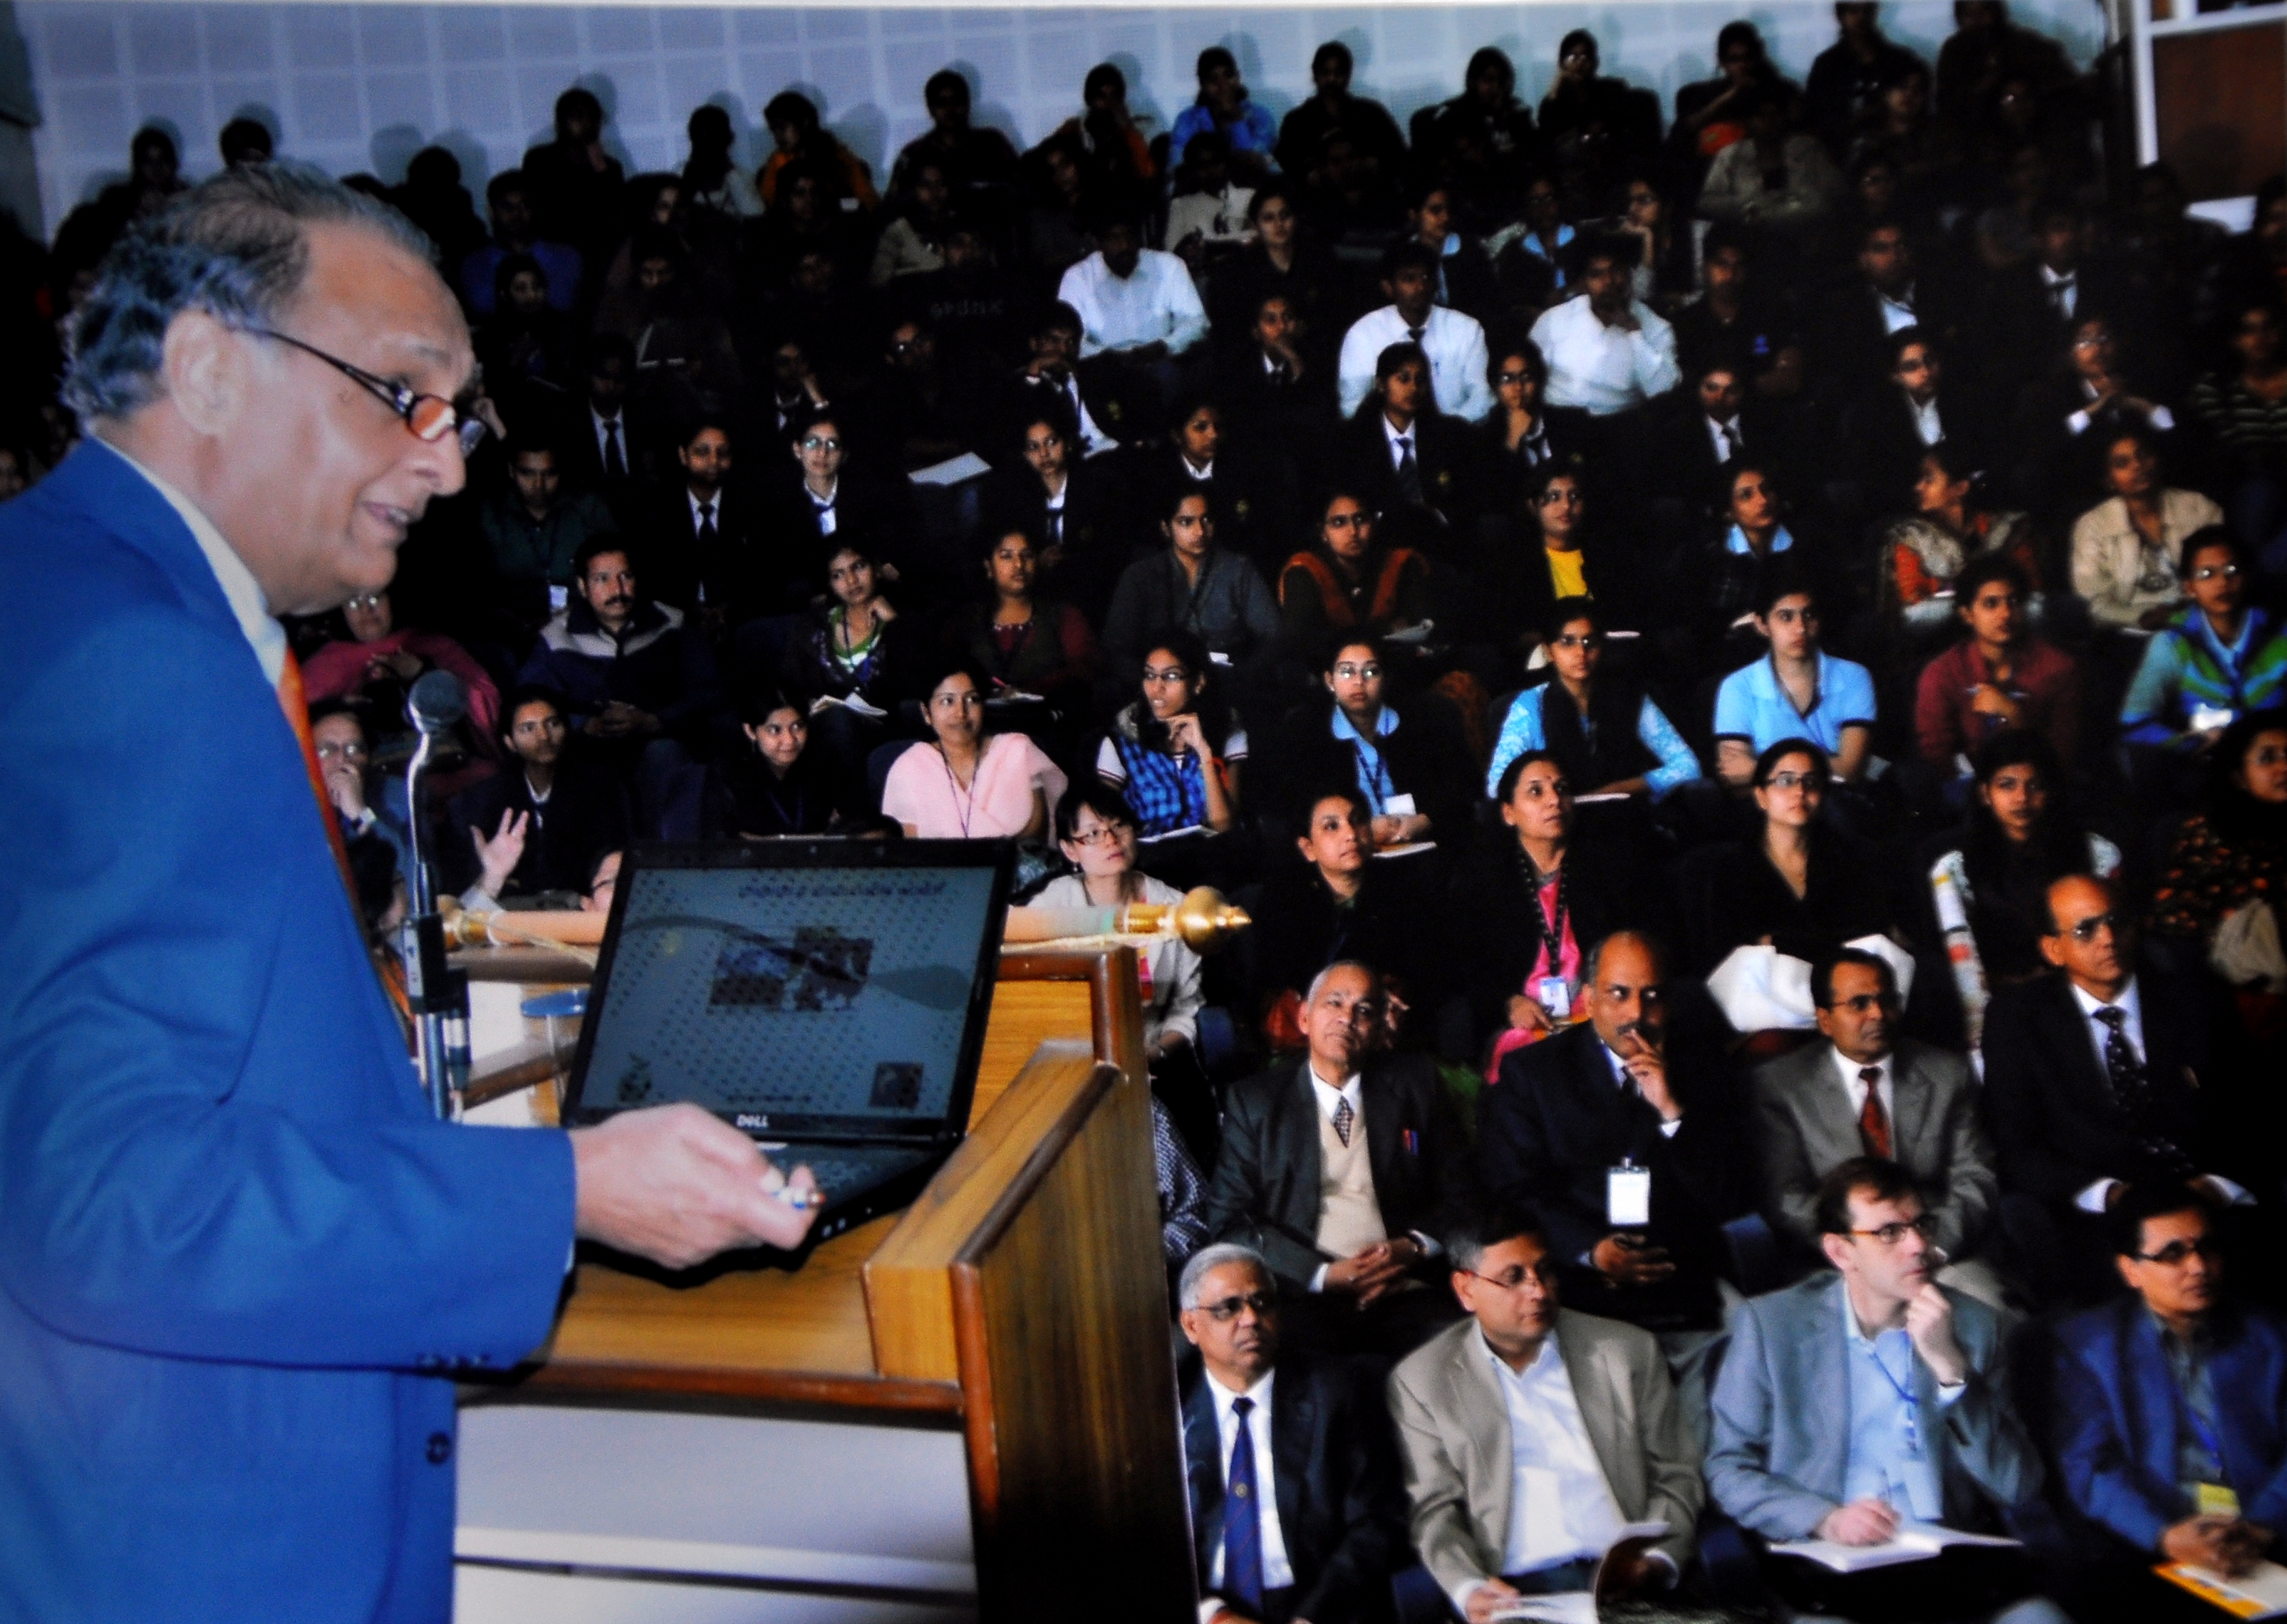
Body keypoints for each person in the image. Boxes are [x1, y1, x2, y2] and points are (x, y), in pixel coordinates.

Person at [1, 160, 816, 1620]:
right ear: (207, 369)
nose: (447, 467)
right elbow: (109, 1201)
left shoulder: (58, 592)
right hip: (191, 1551)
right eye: (404, 397)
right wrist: (569, 1190)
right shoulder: (139, 654)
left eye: (459, 415)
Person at [1706, 1160, 2062, 1624]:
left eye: (1921, 1225)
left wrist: (1952, 1373)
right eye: (1889, 1232)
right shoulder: (1772, 1327)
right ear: (1841, 1251)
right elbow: (1728, 1468)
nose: (1918, 1246)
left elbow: (2017, 1486)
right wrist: (1824, 1518)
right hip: (1828, 1566)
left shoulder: (1976, 1327)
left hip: (1948, 1568)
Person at [1477, 930, 1747, 1445]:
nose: (1635, 1013)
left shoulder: (1704, 1070)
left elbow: (1729, 1195)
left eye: (1651, 995)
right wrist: (1591, 1250)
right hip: (1579, 1280)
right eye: (1619, 994)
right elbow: (1515, 1190)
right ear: (1589, 999)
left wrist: (1671, 1112)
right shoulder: (1535, 1074)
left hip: (1682, 1277)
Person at [1386, 1205, 1702, 1618]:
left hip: (1627, 1586)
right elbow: (1434, 1510)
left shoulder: (1625, 1351)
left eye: (1544, 1271)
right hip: (1516, 1595)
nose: (1538, 1291)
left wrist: (1656, 1561)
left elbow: (1676, 1473)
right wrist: (1470, 1588)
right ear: (1466, 1289)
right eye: (1513, 1277)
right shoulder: (1424, 1381)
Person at [1982, 875, 2245, 1305]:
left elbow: (2253, 1111)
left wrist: (2216, 1186)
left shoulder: (2195, 997)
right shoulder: (2016, 1020)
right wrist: (2110, 1195)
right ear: (2053, 949)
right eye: (2085, 930)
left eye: (2116, 921)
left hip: (2201, 1190)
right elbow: (2018, 1147)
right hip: (2103, 1207)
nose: (2108, 939)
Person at [1203, 962, 1475, 1362]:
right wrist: (1323, 1275)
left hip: (1403, 1284)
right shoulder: (1256, 1102)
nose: (1347, 1018)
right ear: (1304, 1018)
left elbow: (1463, 1192)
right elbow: (1230, 1221)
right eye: (1334, 1003)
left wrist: (1412, 1247)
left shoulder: (1417, 1084)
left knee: (1458, 1359)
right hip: (1301, 1295)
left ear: (1379, 1029)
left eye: (1364, 1011)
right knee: (1325, 1382)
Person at [2051, 1184, 2287, 1610]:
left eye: (2206, 1248)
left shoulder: (2270, 1335)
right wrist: (2164, 1535)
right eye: (2173, 1254)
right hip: (2152, 1543)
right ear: (2130, 1270)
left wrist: (2263, 1525)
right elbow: (2090, 1467)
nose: (2199, 1267)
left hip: (2264, 1534)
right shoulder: (2088, 1347)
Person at [1752, 948, 2004, 1303]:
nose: (1878, 1014)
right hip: (1840, 1264)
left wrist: (1929, 1247)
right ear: (1825, 1020)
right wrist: (1864, 1254)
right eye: (1859, 1004)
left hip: (1937, 1252)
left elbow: (1975, 1177)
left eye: (1887, 1000)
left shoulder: (1947, 1074)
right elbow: (1786, 1197)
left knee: (1986, 1308)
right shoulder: (1781, 1087)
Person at [1176, 1244, 1409, 1624]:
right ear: (1191, 1326)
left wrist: (1312, 1617)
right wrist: (1213, 1614)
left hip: (1321, 1604)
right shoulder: (1167, 1408)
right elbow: (1144, 1537)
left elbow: (1377, 1520)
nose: (1251, 1318)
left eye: (1262, 1302)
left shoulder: (1336, 1392)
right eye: (1228, 1308)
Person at [1453, 751, 1669, 1072]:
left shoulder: (1607, 867)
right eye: (1536, 791)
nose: (1554, 800)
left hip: (1599, 1009)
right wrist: (1508, 1004)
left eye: (1561, 789)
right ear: (1509, 813)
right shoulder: (1484, 880)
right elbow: (1470, 966)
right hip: (1526, 1020)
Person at [1918, 731, 2121, 1053]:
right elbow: (1963, 965)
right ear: (1985, 793)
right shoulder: (1954, 868)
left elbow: (2110, 938)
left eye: (2035, 785)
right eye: (2007, 785)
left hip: (2080, 992)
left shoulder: (2095, 853)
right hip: (2000, 1002)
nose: (2022, 798)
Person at [516, 536, 724, 839]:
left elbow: (709, 692)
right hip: (586, 748)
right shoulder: (556, 638)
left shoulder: (672, 624)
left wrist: (655, 721)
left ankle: (666, 858)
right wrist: (582, 725)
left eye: (625, 577)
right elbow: (530, 702)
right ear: (583, 586)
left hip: (659, 742)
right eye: (602, 580)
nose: (617, 590)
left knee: (667, 757)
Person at [1684, 739, 1898, 975]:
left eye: (1811, 782)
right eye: (1785, 781)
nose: (1800, 791)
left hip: (1844, 982)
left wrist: (1779, 942)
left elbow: (1867, 936)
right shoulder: (1729, 866)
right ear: (1761, 796)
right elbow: (1729, 951)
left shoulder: (1853, 858)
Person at [1486, 600, 1700, 805]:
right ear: (1549, 651)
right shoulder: (1531, 706)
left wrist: (1618, 789)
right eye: (1567, 642)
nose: (1581, 653)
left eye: (1590, 642)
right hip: (1558, 817)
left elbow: (1688, 766)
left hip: (1624, 812)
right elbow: (1497, 787)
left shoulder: (1629, 697)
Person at [1280, 634, 1470, 855]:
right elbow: (1301, 810)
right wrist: (1364, 831)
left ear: (1385, 679)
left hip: (1424, 843)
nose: (1359, 682)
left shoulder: (1422, 721)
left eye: (1371, 672)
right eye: (1347, 672)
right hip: (1349, 850)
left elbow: (1458, 787)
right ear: (1330, 681)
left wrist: (1425, 821)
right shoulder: (1308, 733)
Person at [2147, 710, 2287, 1004]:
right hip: (2246, 992)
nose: (2283, 768)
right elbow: (2175, 922)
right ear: (2239, 777)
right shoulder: (2210, 832)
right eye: (2268, 759)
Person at [445, 686, 629, 903]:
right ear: (510, 741)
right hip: (510, 908)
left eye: (553, 724)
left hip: (579, 904)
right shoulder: (485, 798)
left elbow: (606, 855)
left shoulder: (598, 788)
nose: (543, 736)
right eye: (528, 728)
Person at [1914, 553, 2083, 776]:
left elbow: (2063, 755)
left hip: (2039, 784)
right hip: (1964, 786)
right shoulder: (1941, 673)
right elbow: (1936, 756)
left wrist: (2015, 716)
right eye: (1991, 604)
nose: (2006, 614)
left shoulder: (2059, 668)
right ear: (1967, 614)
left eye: (2014, 602)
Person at [2122, 531, 2287, 752]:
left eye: (2232, 570)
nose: (2223, 582)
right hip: (2208, 762)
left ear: (2246, 577)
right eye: (2207, 574)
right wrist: (2190, 744)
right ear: (2189, 587)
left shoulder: (2277, 630)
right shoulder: (2172, 642)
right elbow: (2134, 724)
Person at [1713, 573, 1878, 787]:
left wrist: (1758, 769)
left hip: (1837, 800)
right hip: (1765, 804)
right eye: (1785, 617)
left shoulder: (1853, 677)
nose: (1800, 628)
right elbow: (1734, 775)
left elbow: (1849, 771)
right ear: (1762, 624)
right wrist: (1826, 767)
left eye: (1808, 615)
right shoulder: (1737, 687)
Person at [940, 525, 1098, 741]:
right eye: (1007, 556)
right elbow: (944, 671)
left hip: (1047, 730)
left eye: (1027, 556)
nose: (1019, 565)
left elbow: (1084, 668)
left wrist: (1033, 689)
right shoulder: (966, 620)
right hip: (978, 731)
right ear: (989, 566)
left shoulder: (1062, 616)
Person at [777, 541, 917, 785]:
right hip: (831, 733)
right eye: (838, 575)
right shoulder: (811, 629)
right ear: (830, 583)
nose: (851, 580)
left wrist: (895, 624)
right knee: (838, 721)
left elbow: (921, 680)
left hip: (890, 726)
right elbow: (791, 687)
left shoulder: (904, 619)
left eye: (859, 567)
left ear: (876, 569)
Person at [1103, 489, 1281, 680]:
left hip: (1230, 679)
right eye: (1186, 522)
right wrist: (1150, 682)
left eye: (1206, 520)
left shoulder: (1238, 570)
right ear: (1166, 528)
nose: (1200, 531)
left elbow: (1273, 635)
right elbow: (1117, 646)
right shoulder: (1140, 576)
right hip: (1160, 682)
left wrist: (1244, 676)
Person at [881, 657, 1064, 841]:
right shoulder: (909, 768)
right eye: (947, 701)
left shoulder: (1017, 751)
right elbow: (911, 850)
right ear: (926, 712)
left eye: (972, 699)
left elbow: (1036, 840)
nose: (961, 713)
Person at [302, 585, 501, 752]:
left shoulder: (433, 645)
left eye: (375, 598)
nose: (366, 610)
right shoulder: (326, 663)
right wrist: (340, 705)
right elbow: (296, 720)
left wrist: (423, 673)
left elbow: (483, 701)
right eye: (354, 603)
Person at [1883, 442, 2040, 650]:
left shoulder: (2005, 531)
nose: (1919, 487)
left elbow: (2029, 585)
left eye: (1929, 479)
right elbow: (1914, 603)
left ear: (1960, 488)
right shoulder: (1913, 537)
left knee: (2038, 607)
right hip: (1942, 629)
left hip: (2003, 617)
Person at [2071, 425, 2224, 632]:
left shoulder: (2198, 508)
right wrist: (2141, 618)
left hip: (2199, 623)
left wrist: (2187, 611)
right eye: (2122, 463)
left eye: (2143, 455)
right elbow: (2093, 601)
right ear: (2109, 480)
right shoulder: (2093, 526)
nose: (2137, 465)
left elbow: (2221, 574)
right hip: (2127, 631)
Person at [1096, 630, 1243, 842]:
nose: (1157, 688)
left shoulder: (1227, 731)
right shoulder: (1121, 741)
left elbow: (1223, 826)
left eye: (1171, 676)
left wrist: (1204, 753)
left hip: (1210, 852)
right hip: (1151, 854)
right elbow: (1106, 822)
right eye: (1150, 675)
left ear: (1198, 682)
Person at [1337, 240, 1495, 423]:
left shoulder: (1466, 329)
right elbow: (1352, 406)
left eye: (1426, 278)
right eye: (1409, 279)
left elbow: (1482, 399)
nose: (1420, 287)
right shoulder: (1363, 334)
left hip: (1455, 435)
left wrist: (1443, 430)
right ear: (1388, 287)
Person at [1528, 235, 1681, 423]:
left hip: (1618, 427)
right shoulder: (1554, 319)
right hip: (1555, 422)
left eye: (1616, 271)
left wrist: (1634, 334)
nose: (1608, 281)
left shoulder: (1656, 328)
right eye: (1596, 274)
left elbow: (1664, 392)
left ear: (1629, 273)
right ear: (1584, 283)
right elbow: (1524, 374)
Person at [643, 414, 769, 634]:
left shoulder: (751, 506)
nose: (714, 461)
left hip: (740, 622)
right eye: (702, 452)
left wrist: (727, 610)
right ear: (683, 455)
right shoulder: (660, 509)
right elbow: (655, 577)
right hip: (678, 623)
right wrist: (693, 611)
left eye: (723, 453)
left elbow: (760, 575)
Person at [1276, 490, 1436, 657]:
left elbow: (1423, 624)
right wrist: (1386, 629)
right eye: (1339, 523)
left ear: (1372, 524)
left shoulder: (1398, 562)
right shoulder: (1306, 570)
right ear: (1323, 533)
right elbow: (1302, 640)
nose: (1353, 531)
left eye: (1360, 520)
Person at [1337, 343, 1474, 538]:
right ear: (1381, 384)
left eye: (1420, 380)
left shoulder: (1450, 435)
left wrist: (1437, 519)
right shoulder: (1353, 441)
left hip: (1441, 538)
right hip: (1378, 542)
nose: (1413, 388)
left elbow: (1467, 497)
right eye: (1403, 379)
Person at [479, 437, 616, 623]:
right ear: (511, 471)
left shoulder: (587, 510)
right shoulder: (491, 517)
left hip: (582, 621)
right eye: (528, 474)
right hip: (510, 627)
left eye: (549, 474)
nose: (538, 485)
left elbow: (615, 573)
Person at [1055, 208, 1209, 373]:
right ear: (1097, 243)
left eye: (1130, 236)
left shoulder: (1168, 265)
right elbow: (1067, 336)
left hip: (1161, 363)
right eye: (1115, 238)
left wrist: (1166, 346)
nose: (1125, 246)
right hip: (1102, 369)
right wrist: (1109, 358)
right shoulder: (1078, 277)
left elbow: (1196, 321)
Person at [1696, 87, 1845, 239]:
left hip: (1805, 235)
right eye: (1761, 115)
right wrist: (1748, 206)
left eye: (1776, 114)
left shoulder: (1808, 149)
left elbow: (1834, 193)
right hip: (1748, 237)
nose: (1769, 121)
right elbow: (1708, 201)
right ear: (1748, 121)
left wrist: (1796, 208)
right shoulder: (1731, 155)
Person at [1275, 42, 1406, 202]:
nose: (1332, 79)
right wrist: (1310, 173)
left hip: (1372, 201)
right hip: (1318, 205)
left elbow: (1398, 153)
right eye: (1326, 73)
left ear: (1349, 76)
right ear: (1315, 75)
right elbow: (1286, 161)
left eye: (1338, 73)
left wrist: (1373, 164)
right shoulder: (1296, 121)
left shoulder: (1372, 114)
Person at [715, 685, 846, 838]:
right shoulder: (731, 776)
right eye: (775, 730)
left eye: (797, 727)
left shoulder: (825, 766)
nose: (789, 740)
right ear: (751, 731)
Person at [1809, 4, 1931, 158]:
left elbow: (1920, 109)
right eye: (1854, 11)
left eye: (1867, 11)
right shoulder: (1826, 66)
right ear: (1841, 16)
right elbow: (1816, 116)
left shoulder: (1900, 60)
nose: (1861, 17)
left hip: (1899, 147)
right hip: (1841, 150)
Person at [891, 69, 1020, 199]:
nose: (950, 109)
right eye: (942, 103)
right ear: (930, 108)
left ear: (968, 103)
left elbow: (1021, 186)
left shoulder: (992, 144)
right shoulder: (914, 155)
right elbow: (894, 204)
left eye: (957, 101)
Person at [1171, 46, 1277, 179]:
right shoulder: (1187, 120)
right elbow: (1177, 168)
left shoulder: (1260, 116)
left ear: (1238, 77)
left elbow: (1255, 164)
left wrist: (1236, 119)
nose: (1223, 85)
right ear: (1202, 84)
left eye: (1228, 76)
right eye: (1213, 79)